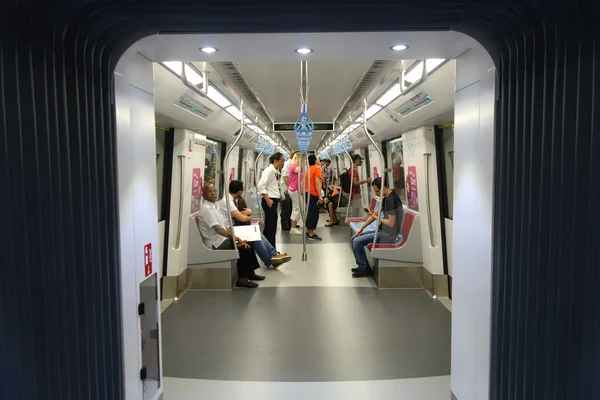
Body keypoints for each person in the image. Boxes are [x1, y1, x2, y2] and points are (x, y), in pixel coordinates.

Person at [197, 184, 263, 288]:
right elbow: (218, 230)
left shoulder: (215, 207)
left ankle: (250, 273)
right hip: (215, 243)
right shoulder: (207, 209)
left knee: (247, 241)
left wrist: (238, 237)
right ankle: (241, 279)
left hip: (221, 239)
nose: (213, 193)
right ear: (203, 194)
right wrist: (236, 239)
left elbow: (225, 227)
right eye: (210, 192)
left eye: (214, 190)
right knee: (243, 247)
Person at [220, 180, 292, 268]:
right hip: (229, 230)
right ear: (239, 191)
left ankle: (274, 254)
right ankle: (269, 259)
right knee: (253, 234)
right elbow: (242, 218)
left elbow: (240, 213)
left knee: (256, 230)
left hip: (233, 227)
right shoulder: (229, 202)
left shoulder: (229, 199)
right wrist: (248, 216)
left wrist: (247, 212)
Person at [350, 177, 404, 278]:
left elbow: (391, 223)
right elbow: (376, 213)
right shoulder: (386, 198)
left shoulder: (392, 200)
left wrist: (376, 217)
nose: (376, 194)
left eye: (377, 191)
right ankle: (362, 266)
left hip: (389, 235)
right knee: (354, 237)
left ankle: (364, 269)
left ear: (384, 187)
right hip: (382, 231)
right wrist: (361, 228)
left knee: (357, 241)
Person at [257, 152, 285, 247]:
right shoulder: (269, 171)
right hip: (269, 201)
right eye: (282, 161)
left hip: (273, 200)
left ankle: (267, 247)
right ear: (275, 161)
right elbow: (261, 185)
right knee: (271, 227)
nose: (283, 163)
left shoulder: (275, 171)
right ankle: (271, 250)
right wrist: (268, 199)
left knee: (270, 226)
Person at [305, 154, 323, 241]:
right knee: (313, 214)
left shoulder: (308, 169)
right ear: (315, 161)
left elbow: (302, 182)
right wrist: (320, 195)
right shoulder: (317, 168)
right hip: (313, 194)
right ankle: (311, 234)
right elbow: (317, 182)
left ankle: (309, 231)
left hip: (307, 193)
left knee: (309, 212)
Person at [286, 152, 304, 235]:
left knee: (298, 209)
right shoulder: (294, 167)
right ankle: (293, 228)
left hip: (296, 189)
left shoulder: (296, 167)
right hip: (294, 189)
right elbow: (299, 170)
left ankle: (293, 227)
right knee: (297, 209)